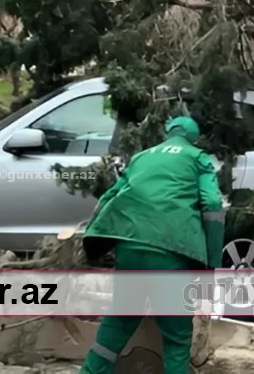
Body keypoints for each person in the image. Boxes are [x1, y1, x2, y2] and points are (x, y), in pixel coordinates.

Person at [79, 116, 225, 374]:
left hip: (131, 247)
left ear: (168, 133)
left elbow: (108, 197)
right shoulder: (198, 158)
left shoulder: (142, 157)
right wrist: (211, 262)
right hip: (172, 254)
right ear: (194, 138)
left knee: (119, 321)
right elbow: (212, 205)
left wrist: (94, 238)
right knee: (177, 336)